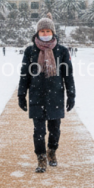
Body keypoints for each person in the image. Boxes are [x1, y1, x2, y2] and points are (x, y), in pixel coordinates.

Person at [17, 13, 75, 173]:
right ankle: (41, 158)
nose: (45, 34)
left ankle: (52, 151)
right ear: (37, 33)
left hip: (55, 95)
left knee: (55, 129)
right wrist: (21, 94)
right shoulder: (30, 51)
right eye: (42, 31)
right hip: (36, 96)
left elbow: (68, 74)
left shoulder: (62, 51)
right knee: (39, 131)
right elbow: (24, 74)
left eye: (48, 31)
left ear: (53, 32)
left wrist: (71, 95)